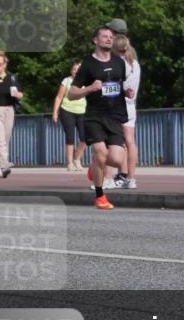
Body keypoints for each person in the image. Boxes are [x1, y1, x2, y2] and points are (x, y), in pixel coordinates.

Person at [70, 26, 134, 210]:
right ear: (95, 40)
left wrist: (126, 92)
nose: (108, 39)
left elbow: (117, 86)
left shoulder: (119, 63)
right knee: (101, 153)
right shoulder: (88, 64)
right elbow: (72, 94)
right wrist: (89, 88)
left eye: (111, 37)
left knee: (115, 159)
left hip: (114, 116)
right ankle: (100, 196)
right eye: (104, 36)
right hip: (94, 116)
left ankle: (94, 166)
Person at [112, 34, 141, 189]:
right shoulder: (135, 64)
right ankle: (131, 178)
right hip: (130, 105)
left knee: (113, 141)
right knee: (130, 141)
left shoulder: (116, 64)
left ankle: (111, 177)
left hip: (116, 106)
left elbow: (113, 86)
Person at [52, 62, 87, 172]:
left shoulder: (86, 81)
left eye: (78, 69)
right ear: (71, 71)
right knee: (70, 137)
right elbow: (58, 97)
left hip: (82, 111)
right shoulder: (66, 81)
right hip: (67, 111)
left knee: (84, 138)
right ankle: (70, 163)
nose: (76, 71)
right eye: (74, 69)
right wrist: (55, 112)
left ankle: (77, 159)